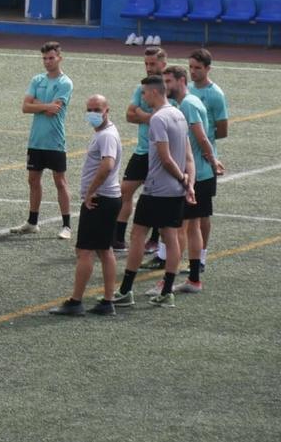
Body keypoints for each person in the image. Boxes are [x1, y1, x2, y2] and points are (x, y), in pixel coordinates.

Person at [112, 75, 195, 309]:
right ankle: (167, 292)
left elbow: (165, 158)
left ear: (155, 93)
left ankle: (126, 290)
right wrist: (188, 183)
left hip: (157, 189)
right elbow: (188, 157)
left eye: (145, 93)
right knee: (171, 238)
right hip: (175, 191)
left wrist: (180, 177)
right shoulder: (178, 114)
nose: (143, 97)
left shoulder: (158, 119)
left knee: (137, 235)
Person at [48, 94, 123, 316]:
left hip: (100, 199)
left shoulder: (106, 136)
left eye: (97, 109)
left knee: (84, 251)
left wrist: (90, 191)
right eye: (89, 109)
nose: (92, 113)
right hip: (108, 198)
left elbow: (107, 165)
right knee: (104, 249)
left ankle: (76, 301)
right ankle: (107, 301)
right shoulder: (106, 132)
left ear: (107, 110)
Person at [155, 65, 221, 295]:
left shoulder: (188, 105)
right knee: (192, 227)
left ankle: (169, 281)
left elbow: (201, 137)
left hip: (197, 175)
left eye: (169, 81)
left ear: (181, 81)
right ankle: (193, 279)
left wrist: (212, 160)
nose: (165, 86)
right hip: (202, 174)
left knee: (179, 229)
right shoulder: (189, 102)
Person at [12, 41, 74, 239]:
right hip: (36, 141)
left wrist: (37, 104)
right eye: (45, 58)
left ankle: (67, 226)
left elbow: (53, 111)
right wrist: (44, 105)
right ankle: (32, 222)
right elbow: (25, 107)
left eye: (51, 58)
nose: (47, 62)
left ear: (59, 58)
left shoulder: (65, 83)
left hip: (55, 140)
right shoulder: (37, 79)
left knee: (60, 181)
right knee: (33, 180)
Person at [113, 46, 168, 252]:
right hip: (142, 150)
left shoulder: (168, 88)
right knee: (124, 191)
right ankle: (117, 238)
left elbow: (166, 117)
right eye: (146, 64)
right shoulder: (141, 88)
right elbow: (129, 115)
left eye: (152, 64)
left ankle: (155, 239)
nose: (148, 68)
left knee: (157, 197)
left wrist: (142, 115)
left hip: (161, 152)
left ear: (163, 64)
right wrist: (150, 117)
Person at [187, 48, 228, 272]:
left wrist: (206, 143)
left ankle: (201, 256)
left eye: (198, 68)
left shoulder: (215, 94)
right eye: (191, 67)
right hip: (186, 159)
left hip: (204, 161)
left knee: (202, 213)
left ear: (208, 69)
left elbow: (222, 129)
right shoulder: (188, 91)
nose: (193, 72)